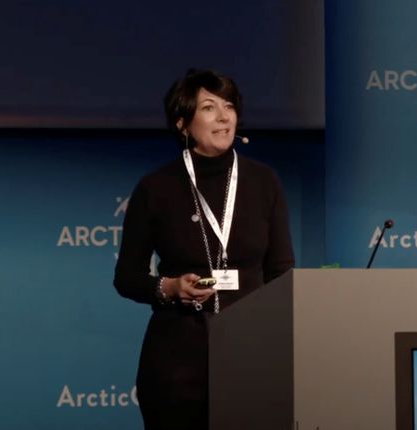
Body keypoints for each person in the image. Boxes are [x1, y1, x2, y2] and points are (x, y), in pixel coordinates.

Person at [114, 69, 294, 429]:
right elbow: (127, 277)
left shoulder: (263, 181)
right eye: (209, 107)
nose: (224, 116)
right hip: (179, 358)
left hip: (251, 353)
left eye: (229, 106)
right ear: (183, 123)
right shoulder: (157, 187)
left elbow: (281, 271)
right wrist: (169, 287)